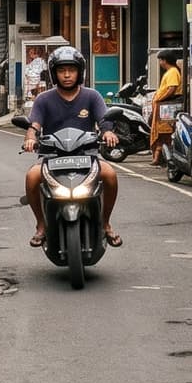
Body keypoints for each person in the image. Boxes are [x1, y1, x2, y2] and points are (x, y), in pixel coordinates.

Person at [20, 45, 122, 249]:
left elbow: (104, 120)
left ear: (79, 72)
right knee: (31, 177)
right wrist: (30, 138)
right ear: (54, 74)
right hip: (52, 157)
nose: (67, 75)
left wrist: (108, 132)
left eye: (71, 70)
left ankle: (105, 223)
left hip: (87, 156)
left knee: (110, 175)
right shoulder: (43, 99)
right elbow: (34, 125)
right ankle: (41, 225)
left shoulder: (92, 96)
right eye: (61, 70)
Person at [147, 49, 184, 165]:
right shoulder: (170, 72)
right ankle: (157, 156)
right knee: (160, 132)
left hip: (165, 105)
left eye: (160, 60)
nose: (160, 63)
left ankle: (158, 157)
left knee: (163, 132)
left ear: (165, 61)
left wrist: (161, 98)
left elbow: (172, 88)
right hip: (161, 104)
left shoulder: (173, 72)